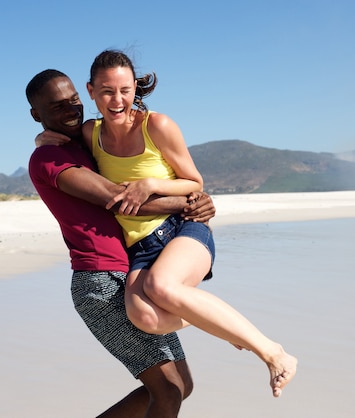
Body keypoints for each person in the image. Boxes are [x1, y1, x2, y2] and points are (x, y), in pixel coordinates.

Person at [38, 49, 298, 398]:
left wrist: (152, 184)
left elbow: (194, 182)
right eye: (107, 91)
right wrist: (41, 139)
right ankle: (220, 321)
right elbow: (58, 144)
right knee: (144, 316)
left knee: (161, 288)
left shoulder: (155, 125)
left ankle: (273, 352)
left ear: (135, 89)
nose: (117, 100)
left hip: (180, 231)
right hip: (140, 249)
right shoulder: (89, 133)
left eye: (125, 90)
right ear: (91, 91)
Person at [26, 69, 216, 417]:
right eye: (57, 107)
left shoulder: (82, 144)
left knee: (180, 386)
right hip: (98, 282)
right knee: (169, 391)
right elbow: (118, 198)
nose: (71, 111)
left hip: (125, 274)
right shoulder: (47, 158)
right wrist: (191, 203)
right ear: (37, 115)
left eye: (74, 102)